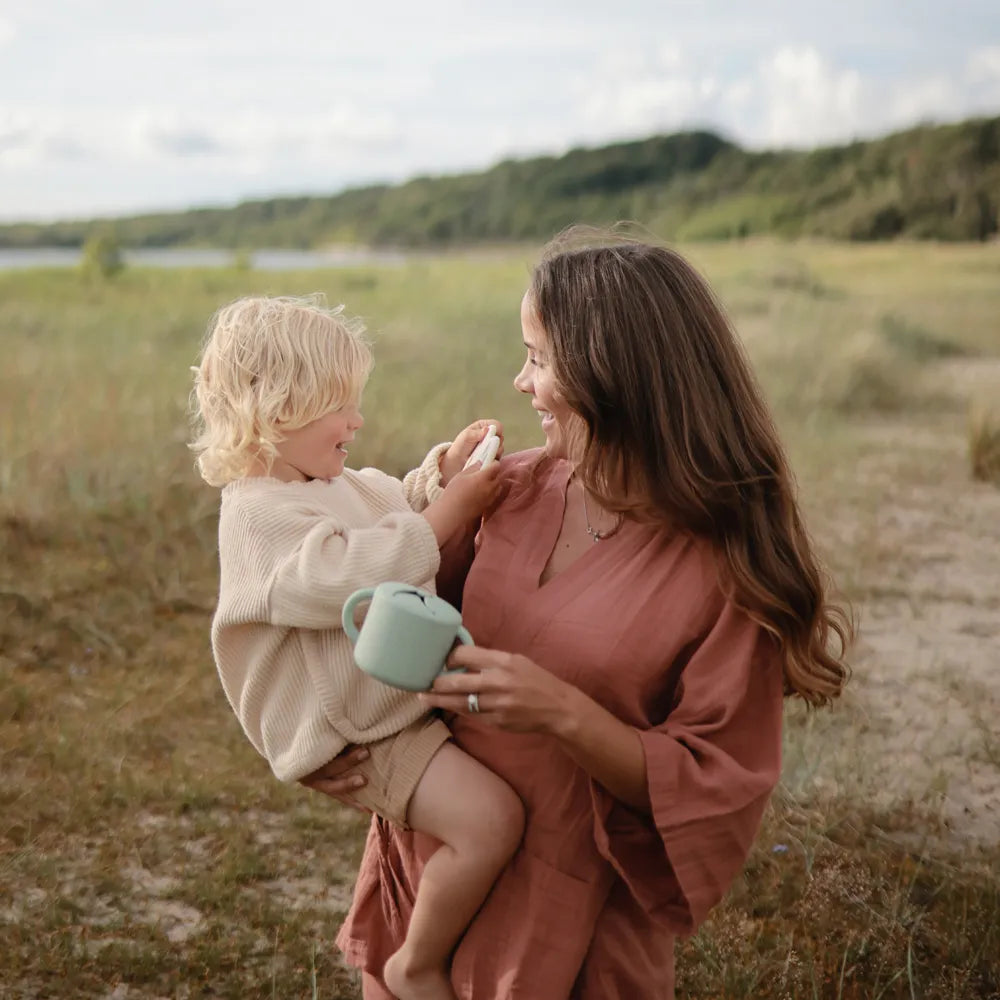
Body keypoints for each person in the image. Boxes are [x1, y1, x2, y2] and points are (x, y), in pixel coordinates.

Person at [308, 231, 854, 999]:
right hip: (433, 877)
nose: (520, 382)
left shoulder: (723, 566)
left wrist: (563, 712)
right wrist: (324, 745)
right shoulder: (506, 491)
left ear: (612, 374)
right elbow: (381, 615)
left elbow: (715, 782)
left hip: (574, 916)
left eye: (538, 357)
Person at [190, 295, 525, 1000]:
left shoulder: (327, 484)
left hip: (383, 708)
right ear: (280, 409)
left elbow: (391, 505)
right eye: (340, 406)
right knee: (490, 821)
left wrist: (442, 476)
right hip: (358, 733)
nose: (357, 421)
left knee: (480, 816)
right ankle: (417, 962)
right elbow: (343, 575)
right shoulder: (256, 514)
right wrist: (451, 513)